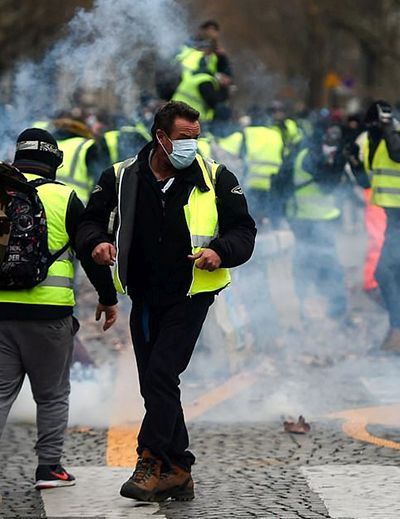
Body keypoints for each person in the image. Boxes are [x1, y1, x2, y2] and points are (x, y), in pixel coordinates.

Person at [77, 101, 256, 502]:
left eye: (196, 137)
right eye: (183, 138)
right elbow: (90, 222)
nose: (191, 145)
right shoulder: (120, 177)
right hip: (143, 296)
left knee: (161, 373)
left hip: (190, 295)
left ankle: (150, 458)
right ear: (160, 137)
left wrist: (221, 252)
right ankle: (179, 467)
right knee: (154, 384)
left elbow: (244, 230)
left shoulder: (217, 178)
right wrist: (98, 244)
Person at [0, 129, 118, 490]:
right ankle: (49, 469)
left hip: (1, 313)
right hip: (49, 316)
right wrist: (108, 297)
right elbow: (89, 248)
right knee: (51, 395)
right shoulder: (65, 197)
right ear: (55, 161)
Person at [349, 100, 400, 354]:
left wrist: (388, 128)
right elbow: (368, 182)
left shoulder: (397, 135)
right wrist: (356, 164)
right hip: (395, 217)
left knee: (385, 272)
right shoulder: (373, 142)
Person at [284, 124, 350, 324]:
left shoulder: (311, 153)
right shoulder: (310, 156)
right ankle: (320, 310)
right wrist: (339, 162)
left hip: (320, 219)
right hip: (307, 220)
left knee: (320, 264)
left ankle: (330, 310)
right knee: (319, 264)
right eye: (329, 142)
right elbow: (327, 185)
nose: (331, 147)